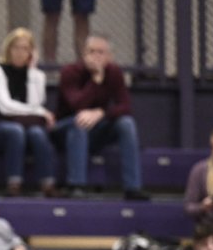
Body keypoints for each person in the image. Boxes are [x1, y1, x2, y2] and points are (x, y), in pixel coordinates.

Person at [54, 34, 148, 200]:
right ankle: (77, 185)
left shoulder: (114, 73)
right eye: (91, 52)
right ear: (83, 55)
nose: (96, 56)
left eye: (101, 52)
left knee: (126, 123)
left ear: (109, 57)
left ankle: (132, 187)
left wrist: (101, 113)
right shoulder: (70, 72)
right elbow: (77, 105)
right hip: (66, 128)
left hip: (98, 128)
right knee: (80, 121)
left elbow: (125, 106)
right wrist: (96, 80)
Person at [0, 27, 58, 197]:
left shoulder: (37, 76)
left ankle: (48, 183)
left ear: (31, 52)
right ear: (8, 49)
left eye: (25, 48)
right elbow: (5, 107)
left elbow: (35, 103)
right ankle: (14, 183)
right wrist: (39, 112)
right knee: (15, 131)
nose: (20, 52)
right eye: (16, 47)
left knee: (38, 133)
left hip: (25, 127)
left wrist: (32, 73)